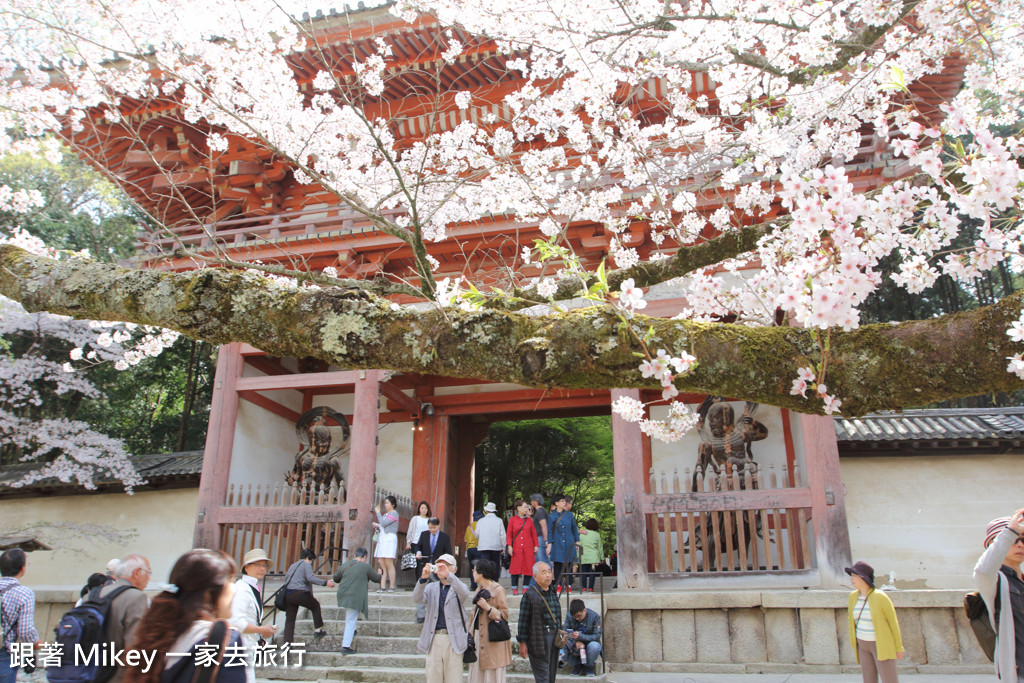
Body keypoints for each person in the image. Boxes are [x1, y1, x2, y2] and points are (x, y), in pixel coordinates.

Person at [123, 549, 246, 683]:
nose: (234, 590)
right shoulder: (225, 639)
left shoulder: (161, 635)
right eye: (231, 581)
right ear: (209, 593)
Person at [974, 510, 1024, 682]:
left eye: (1023, 539)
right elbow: (982, 571)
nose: (1020, 545)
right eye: (1013, 540)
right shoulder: (995, 581)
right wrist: (1010, 532)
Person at [413, 553, 471, 683]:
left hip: (454, 638)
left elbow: (465, 593)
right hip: (434, 638)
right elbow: (417, 598)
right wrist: (423, 579)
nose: (441, 568)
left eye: (446, 565)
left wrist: (449, 576)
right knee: (433, 677)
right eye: (439, 565)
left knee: (454, 677)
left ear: (454, 569)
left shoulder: (457, 587)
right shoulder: (431, 587)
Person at [846, 561, 903, 683]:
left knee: (889, 679)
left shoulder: (880, 597)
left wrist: (899, 647)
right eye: (851, 576)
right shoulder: (852, 597)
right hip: (862, 644)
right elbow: (852, 622)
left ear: (864, 578)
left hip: (880, 643)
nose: (852, 579)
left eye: (855, 576)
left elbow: (893, 623)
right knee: (868, 679)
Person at [101, 554, 153, 683]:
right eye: (148, 572)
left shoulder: (95, 594)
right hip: (115, 676)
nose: (149, 578)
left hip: (86, 673)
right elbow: (134, 648)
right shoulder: (136, 597)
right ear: (136, 573)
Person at [229, 549, 277, 683]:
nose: (262, 568)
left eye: (264, 565)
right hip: (240, 646)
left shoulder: (251, 588)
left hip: (248, 645)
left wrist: (262, 631)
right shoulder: (242, 590)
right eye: (257, 564)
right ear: (246, 567)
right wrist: (261, 630)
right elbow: (235, 622)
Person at [468, 559, 512, 683]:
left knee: (492, 674)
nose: (472, 572)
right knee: (478, 674)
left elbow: (504, 615)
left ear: (481, 573)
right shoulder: (478, 589)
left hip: (493, 639)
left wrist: (489, 608)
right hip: (478, 638)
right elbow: (473, 616)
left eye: (475, 570)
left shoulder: (498, 590)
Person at [0, 548, 39, 683]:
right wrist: (36, 643)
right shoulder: (24, 593)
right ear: (22, 569)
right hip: (6, 653)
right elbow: (25, 630)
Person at [281, 548, 335, 644]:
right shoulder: (306, 565)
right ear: (307, 558)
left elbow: (286, 579)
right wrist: (325, 582)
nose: (311, 562)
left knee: (290, 620)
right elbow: (310, 578)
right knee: (315, 606)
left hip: (288, 595)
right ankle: (318, 630)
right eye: (311, 560)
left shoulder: (292, 566)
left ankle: (287, 644)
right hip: (300, 593)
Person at [334, 546, 381, 655]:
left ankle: (352, 632)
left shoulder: (345, 565)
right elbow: (377, 579)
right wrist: (380, 573)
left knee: (351, 617)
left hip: (344, 594)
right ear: (364, 557)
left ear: (354, 555)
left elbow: (336, 578)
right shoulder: (366, 567)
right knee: (350, 620)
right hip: (355, 597)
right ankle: (345, 646)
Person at [518, 561, 561, 683]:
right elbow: (523, 621)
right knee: (543, 675)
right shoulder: (530, 595)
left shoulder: (552, 592)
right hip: (539, 637)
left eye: (549, 571)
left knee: (552, 672)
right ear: (535, 576)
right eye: (544, 572)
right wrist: (523, 642)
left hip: (554, 636)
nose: (548, 575)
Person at [416, 517, 454, 623]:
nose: (431, 529)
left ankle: (439, 615)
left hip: (438, 567)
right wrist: (418, 552)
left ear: (438, 525)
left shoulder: (444, 537)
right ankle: (421, 615)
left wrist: (444, 563)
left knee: (440, 590)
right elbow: (418, 546)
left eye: (433, 527)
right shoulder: (424, 535)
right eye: (430, 527)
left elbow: (448, 552)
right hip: (426, 566)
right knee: (421, 588)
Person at [561, 598, 602, 677]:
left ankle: (588, 666)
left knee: (595, 646)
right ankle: (576, 665)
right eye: (575, 617)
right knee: (560, 646)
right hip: (574, 644)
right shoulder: (569, 616)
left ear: (584, 611)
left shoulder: (595, 617)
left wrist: (581, 637)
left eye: (579, 616)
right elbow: (564, 632)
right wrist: (575, 641)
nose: (577, 618)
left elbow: (597, 636)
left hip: (589, 643)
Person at [548, 495, 580, 593]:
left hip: (569, 542)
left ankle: (568, 585)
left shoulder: (569, 515)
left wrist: (577, 541)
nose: (564, 503)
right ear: (556, 503)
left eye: (564, 501)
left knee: (569, 564)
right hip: (557, 543)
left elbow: (574, 528)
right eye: (561, 501)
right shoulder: (551, 516)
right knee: (558, 564)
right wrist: (550, 544)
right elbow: (549, 531)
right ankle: (558, 585)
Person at [506, 499, 539, 595]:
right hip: (516, 547)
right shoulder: (512, 520)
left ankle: (525, 587)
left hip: (528, 547)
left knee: (528, 567)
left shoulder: (529, 521)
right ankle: (514, 588)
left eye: (527, 507)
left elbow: (534, 534)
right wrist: (509, 546)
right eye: (525, 507)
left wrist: (536, 545)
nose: (527, 509)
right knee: (515, 568)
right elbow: (509, 534)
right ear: (518, 508)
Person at [373, 495, 400, 592]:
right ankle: (382, 586)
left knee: (389, 563)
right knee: (383, 563)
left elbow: (384, 524)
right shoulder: (385, 515)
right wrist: (377, 525)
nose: (385, 505)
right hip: (383, 539)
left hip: (389, 539)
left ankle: (392, 586)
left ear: (393, 504)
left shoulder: (394, 513)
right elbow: (382, 525)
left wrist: (378, 513)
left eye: (387, 503)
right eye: (385, 503)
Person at [475, 502, 506, 573]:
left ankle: (485, 581)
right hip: (496, 547)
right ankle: (494, 581)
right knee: (495, 565)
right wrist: (503, 546)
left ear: (486, 511)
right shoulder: (499, 521)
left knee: (484, 566)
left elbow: (476, 534)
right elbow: (503, 535)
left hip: (484, 546)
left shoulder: (480, 521)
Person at [528, 495, 551, 588]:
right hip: (540, 538)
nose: (531, 502)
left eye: (532, 500)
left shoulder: (540, 512)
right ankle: (534, 584)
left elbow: (544, 525)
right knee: (538, 561)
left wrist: (546, 540)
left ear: (535, 501)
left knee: (542, 561)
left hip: (540, 538)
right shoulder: (541, 511)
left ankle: (533, 584)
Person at [408, 501, 434, 576]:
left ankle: (425, 580)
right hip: (416, 543)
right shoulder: (415, 518)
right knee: (419, 563)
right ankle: (419, 581)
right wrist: (408, 542)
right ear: (419, 509)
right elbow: (410, 530)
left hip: (426, 544)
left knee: (426, 563)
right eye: (422, 508)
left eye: (426, 508)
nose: (424, 510)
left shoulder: (429, 520)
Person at [578, 519, 603, 592]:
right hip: (593, 557)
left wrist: (578, 556)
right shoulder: (597, 535)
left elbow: (579, 546)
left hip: (584, 556)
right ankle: (591, 587)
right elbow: (600, 547)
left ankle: (583, 587)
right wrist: (601, 557)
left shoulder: (582, 534)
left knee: (583, 572)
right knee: (592, 573)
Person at [466, 511, 483, 590]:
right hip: (477, 548)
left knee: (472, 568)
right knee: (479, 568)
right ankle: (482, 585)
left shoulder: (469, 526)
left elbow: (465, 539)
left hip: (469, 549)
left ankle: (473, 585)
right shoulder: (481, 525)